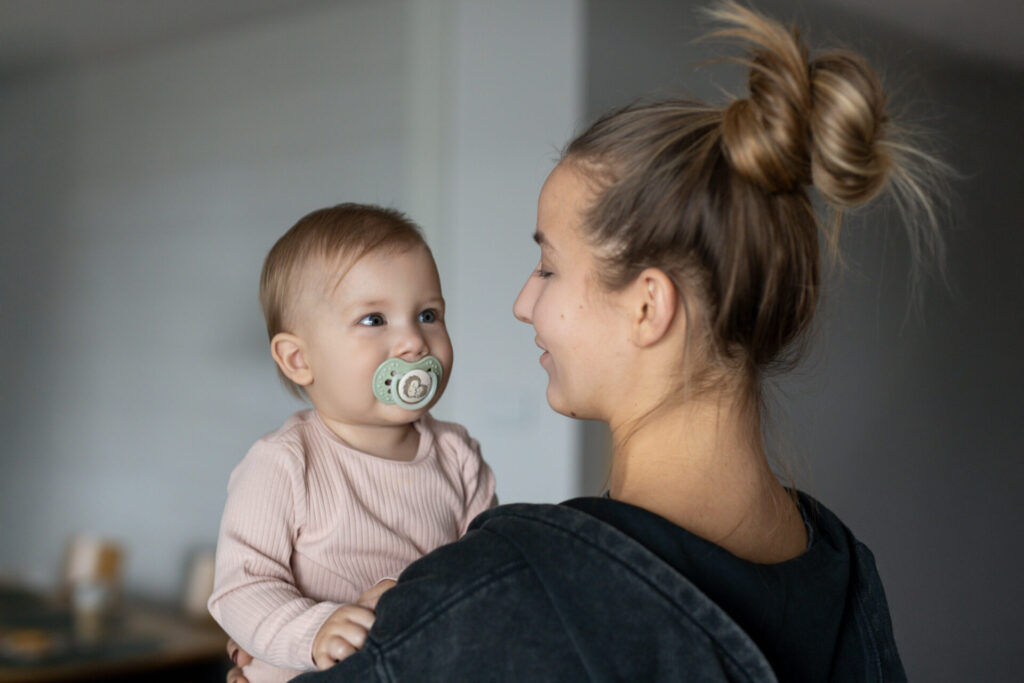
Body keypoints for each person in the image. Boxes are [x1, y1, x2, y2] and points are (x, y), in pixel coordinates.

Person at [227, 2, 944, 680]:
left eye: (547, 266)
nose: (521, 301)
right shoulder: (849, 572)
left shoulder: (505, 587)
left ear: (647, 305)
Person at [209, 204, 497, 683]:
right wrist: (313, 630)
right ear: (299, 358)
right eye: (374, 320)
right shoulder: (284, 464)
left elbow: (484, 577)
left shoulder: (458, 456)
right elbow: (241, 589)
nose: (413, 342)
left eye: (428, 314)